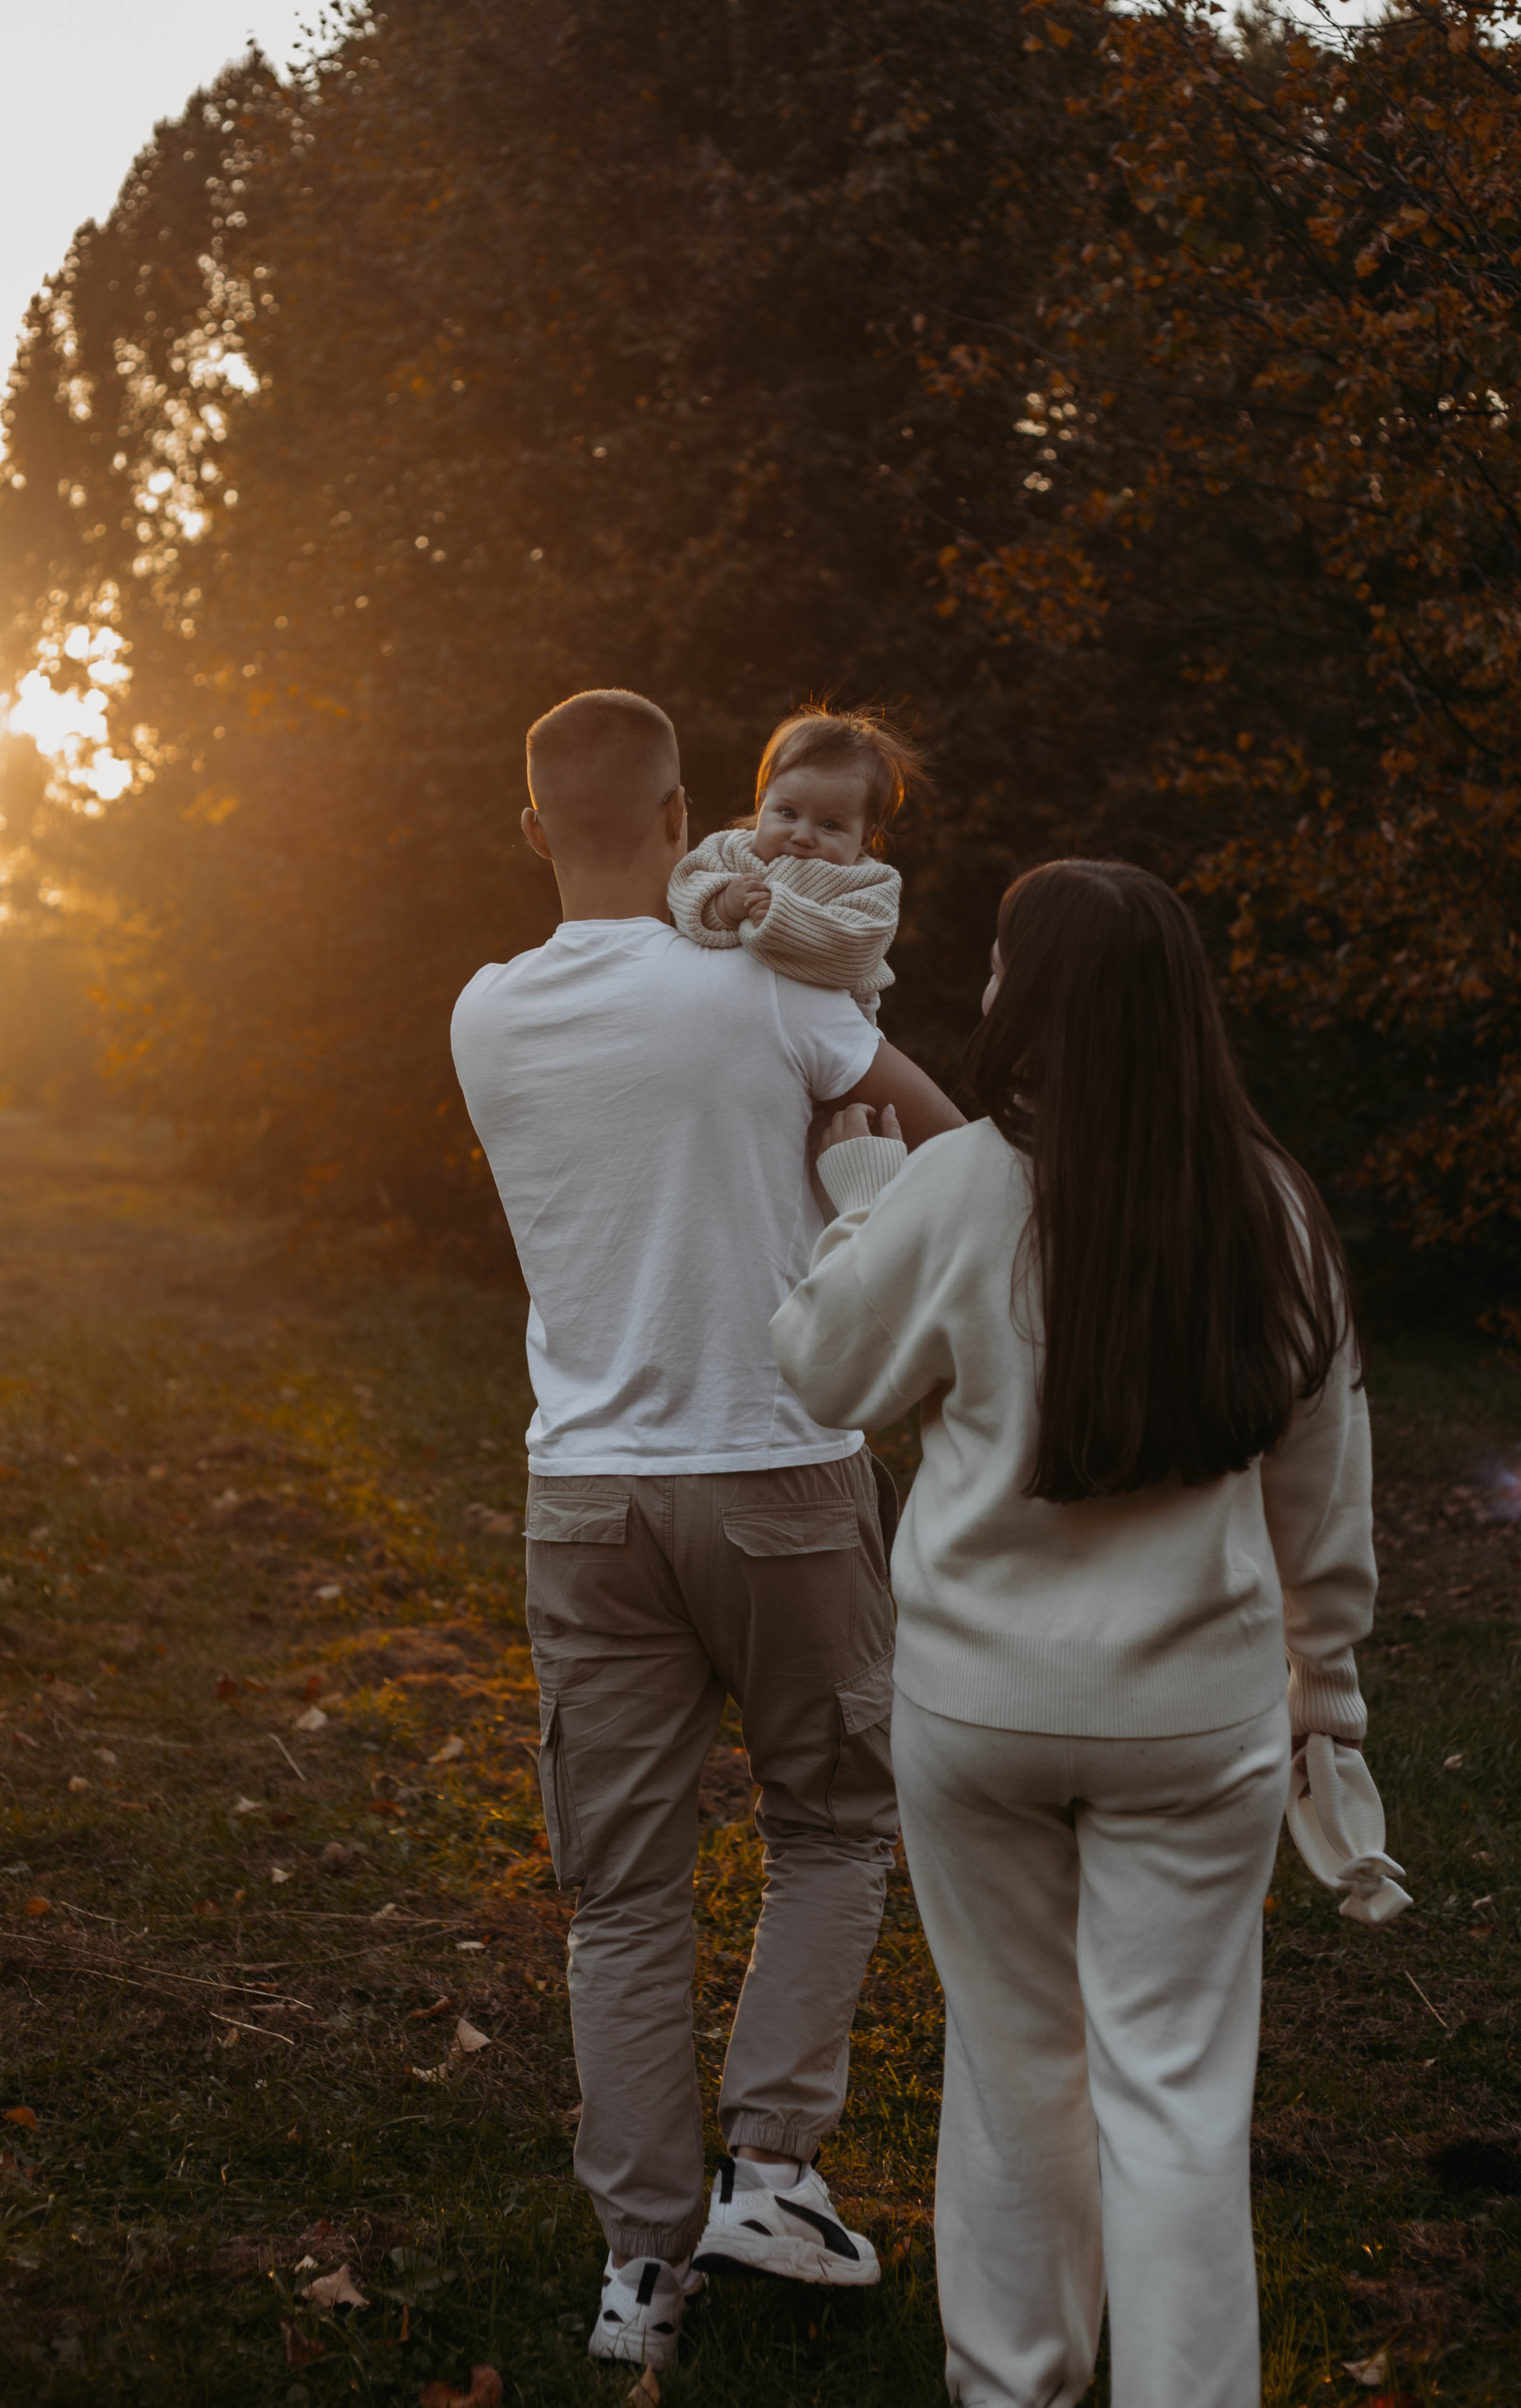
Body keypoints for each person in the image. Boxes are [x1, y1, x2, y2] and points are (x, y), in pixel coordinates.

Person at [770, 858, 1377, 2408]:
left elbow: (825, 1372)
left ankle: (1015, 2384)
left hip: (980, 1710)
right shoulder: (1270, 1199)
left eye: (991, 967)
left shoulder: (958, 1179)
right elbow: (1320, 1486)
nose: (977, 992)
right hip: (1197, 1713)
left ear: (1032, 997)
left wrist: (851, 1203)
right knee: (1174, 2094)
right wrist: (1333, 1694)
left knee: (1012, 2061)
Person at [449, 687, 965, 2372]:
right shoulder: (763, 992)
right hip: (778, 1471)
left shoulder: (483, 1016)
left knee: (620, 1893)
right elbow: (951, 1160)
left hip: (584, 1497)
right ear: (690, 819)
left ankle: (640, 2275)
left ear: (535, 830)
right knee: (832, 1819)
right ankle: (779, 2168)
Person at [669, 704, 911, 1022]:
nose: (803, 836)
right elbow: (681, 893)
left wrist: (783, 917)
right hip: (725, 1017)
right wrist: (723, 905)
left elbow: (858, 947)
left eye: (830, 825)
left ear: (865, 838)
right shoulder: (727, 851)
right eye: (788, 813)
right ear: (762, 802)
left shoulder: (871, 882)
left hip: (826, 1032)